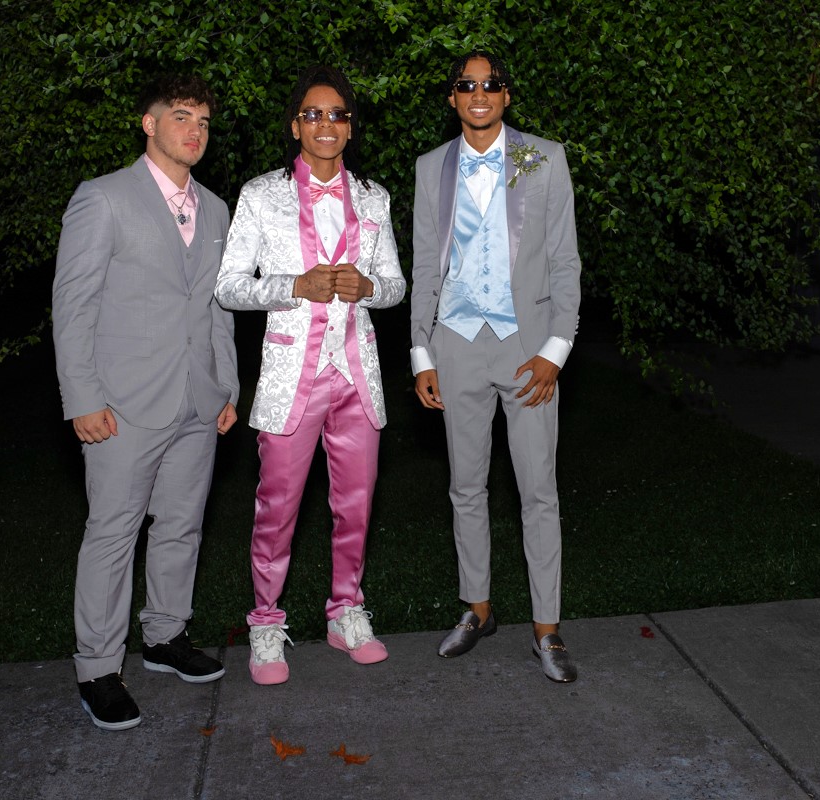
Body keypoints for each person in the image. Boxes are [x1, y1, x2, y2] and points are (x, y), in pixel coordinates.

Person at [52, 75, 240, 730]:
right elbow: (72, 306)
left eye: (204, 121)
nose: (195, 130)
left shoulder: (216, 209)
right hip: (123, 403)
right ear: (149, 123)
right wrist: (81, 397)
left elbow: (216, 306)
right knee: (113, 532)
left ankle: (164, 637)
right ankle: (98, 669)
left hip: (197, 399)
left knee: (182, 524)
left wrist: (226, 385)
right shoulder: (102, 198)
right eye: (181, 116)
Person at [215, 65, 405, 685]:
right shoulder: (260, 194)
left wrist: (368, 287)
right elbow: (228, 286)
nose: (327, 124)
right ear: (296, 125)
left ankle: (346, 611)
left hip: (356, 374)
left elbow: (396, 286)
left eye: (338, 115)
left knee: (356, 504)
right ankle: (266, 623)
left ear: (351, 127)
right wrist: (292, 285)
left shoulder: (373, 197)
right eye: (314, 114)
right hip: (290, 377)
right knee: (278, 507)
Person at [410, 51, 582, 682]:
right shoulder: (431, 167)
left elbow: (565, 261)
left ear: (506, 95)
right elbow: (425, 263)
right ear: (452, 97)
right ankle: (477, 608)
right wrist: (421, 351)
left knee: (537, 490)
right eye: (466, 84)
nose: (478, 93)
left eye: (490, 84)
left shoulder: (545, 158)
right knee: (465, 486)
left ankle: (547, 628)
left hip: (527, 348)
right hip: (456, 344)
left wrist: (555, 350)